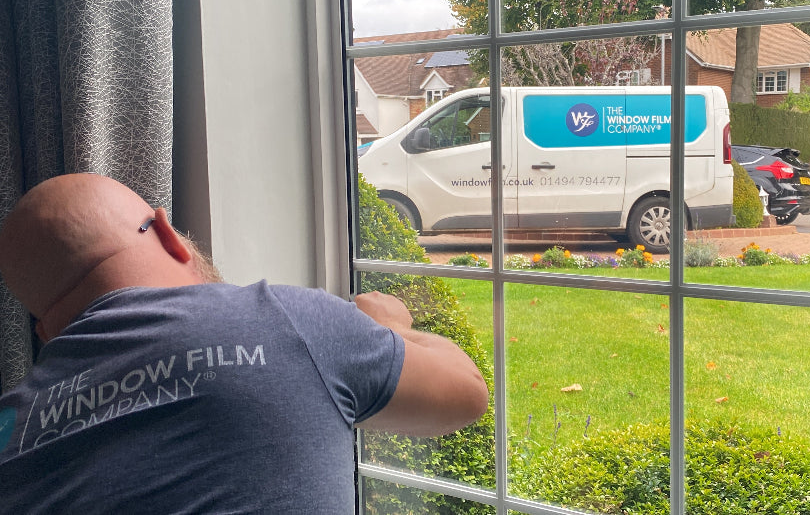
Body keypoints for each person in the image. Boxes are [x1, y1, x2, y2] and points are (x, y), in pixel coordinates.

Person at [0, 173, 488, 514]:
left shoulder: (10, 425)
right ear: (172, 237)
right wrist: (389, 328)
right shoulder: (287, 321)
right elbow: (465, 395)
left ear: (46, 332)